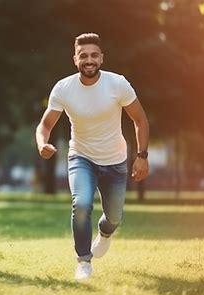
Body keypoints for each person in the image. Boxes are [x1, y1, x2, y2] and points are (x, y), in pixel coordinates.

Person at [35, 33, 149, 280]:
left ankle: (105, 232)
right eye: (83, 55)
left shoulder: (117, 84)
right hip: (81, 157)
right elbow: (45, 125)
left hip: (116, 159)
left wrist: (141, 155)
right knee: (82, 204)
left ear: (101, 58)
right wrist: (42, 143)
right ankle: (83, 261)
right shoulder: (63, 88)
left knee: (114, 217)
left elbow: (139, 119)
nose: (89, 60)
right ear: (75, 59)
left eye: (94, 55)